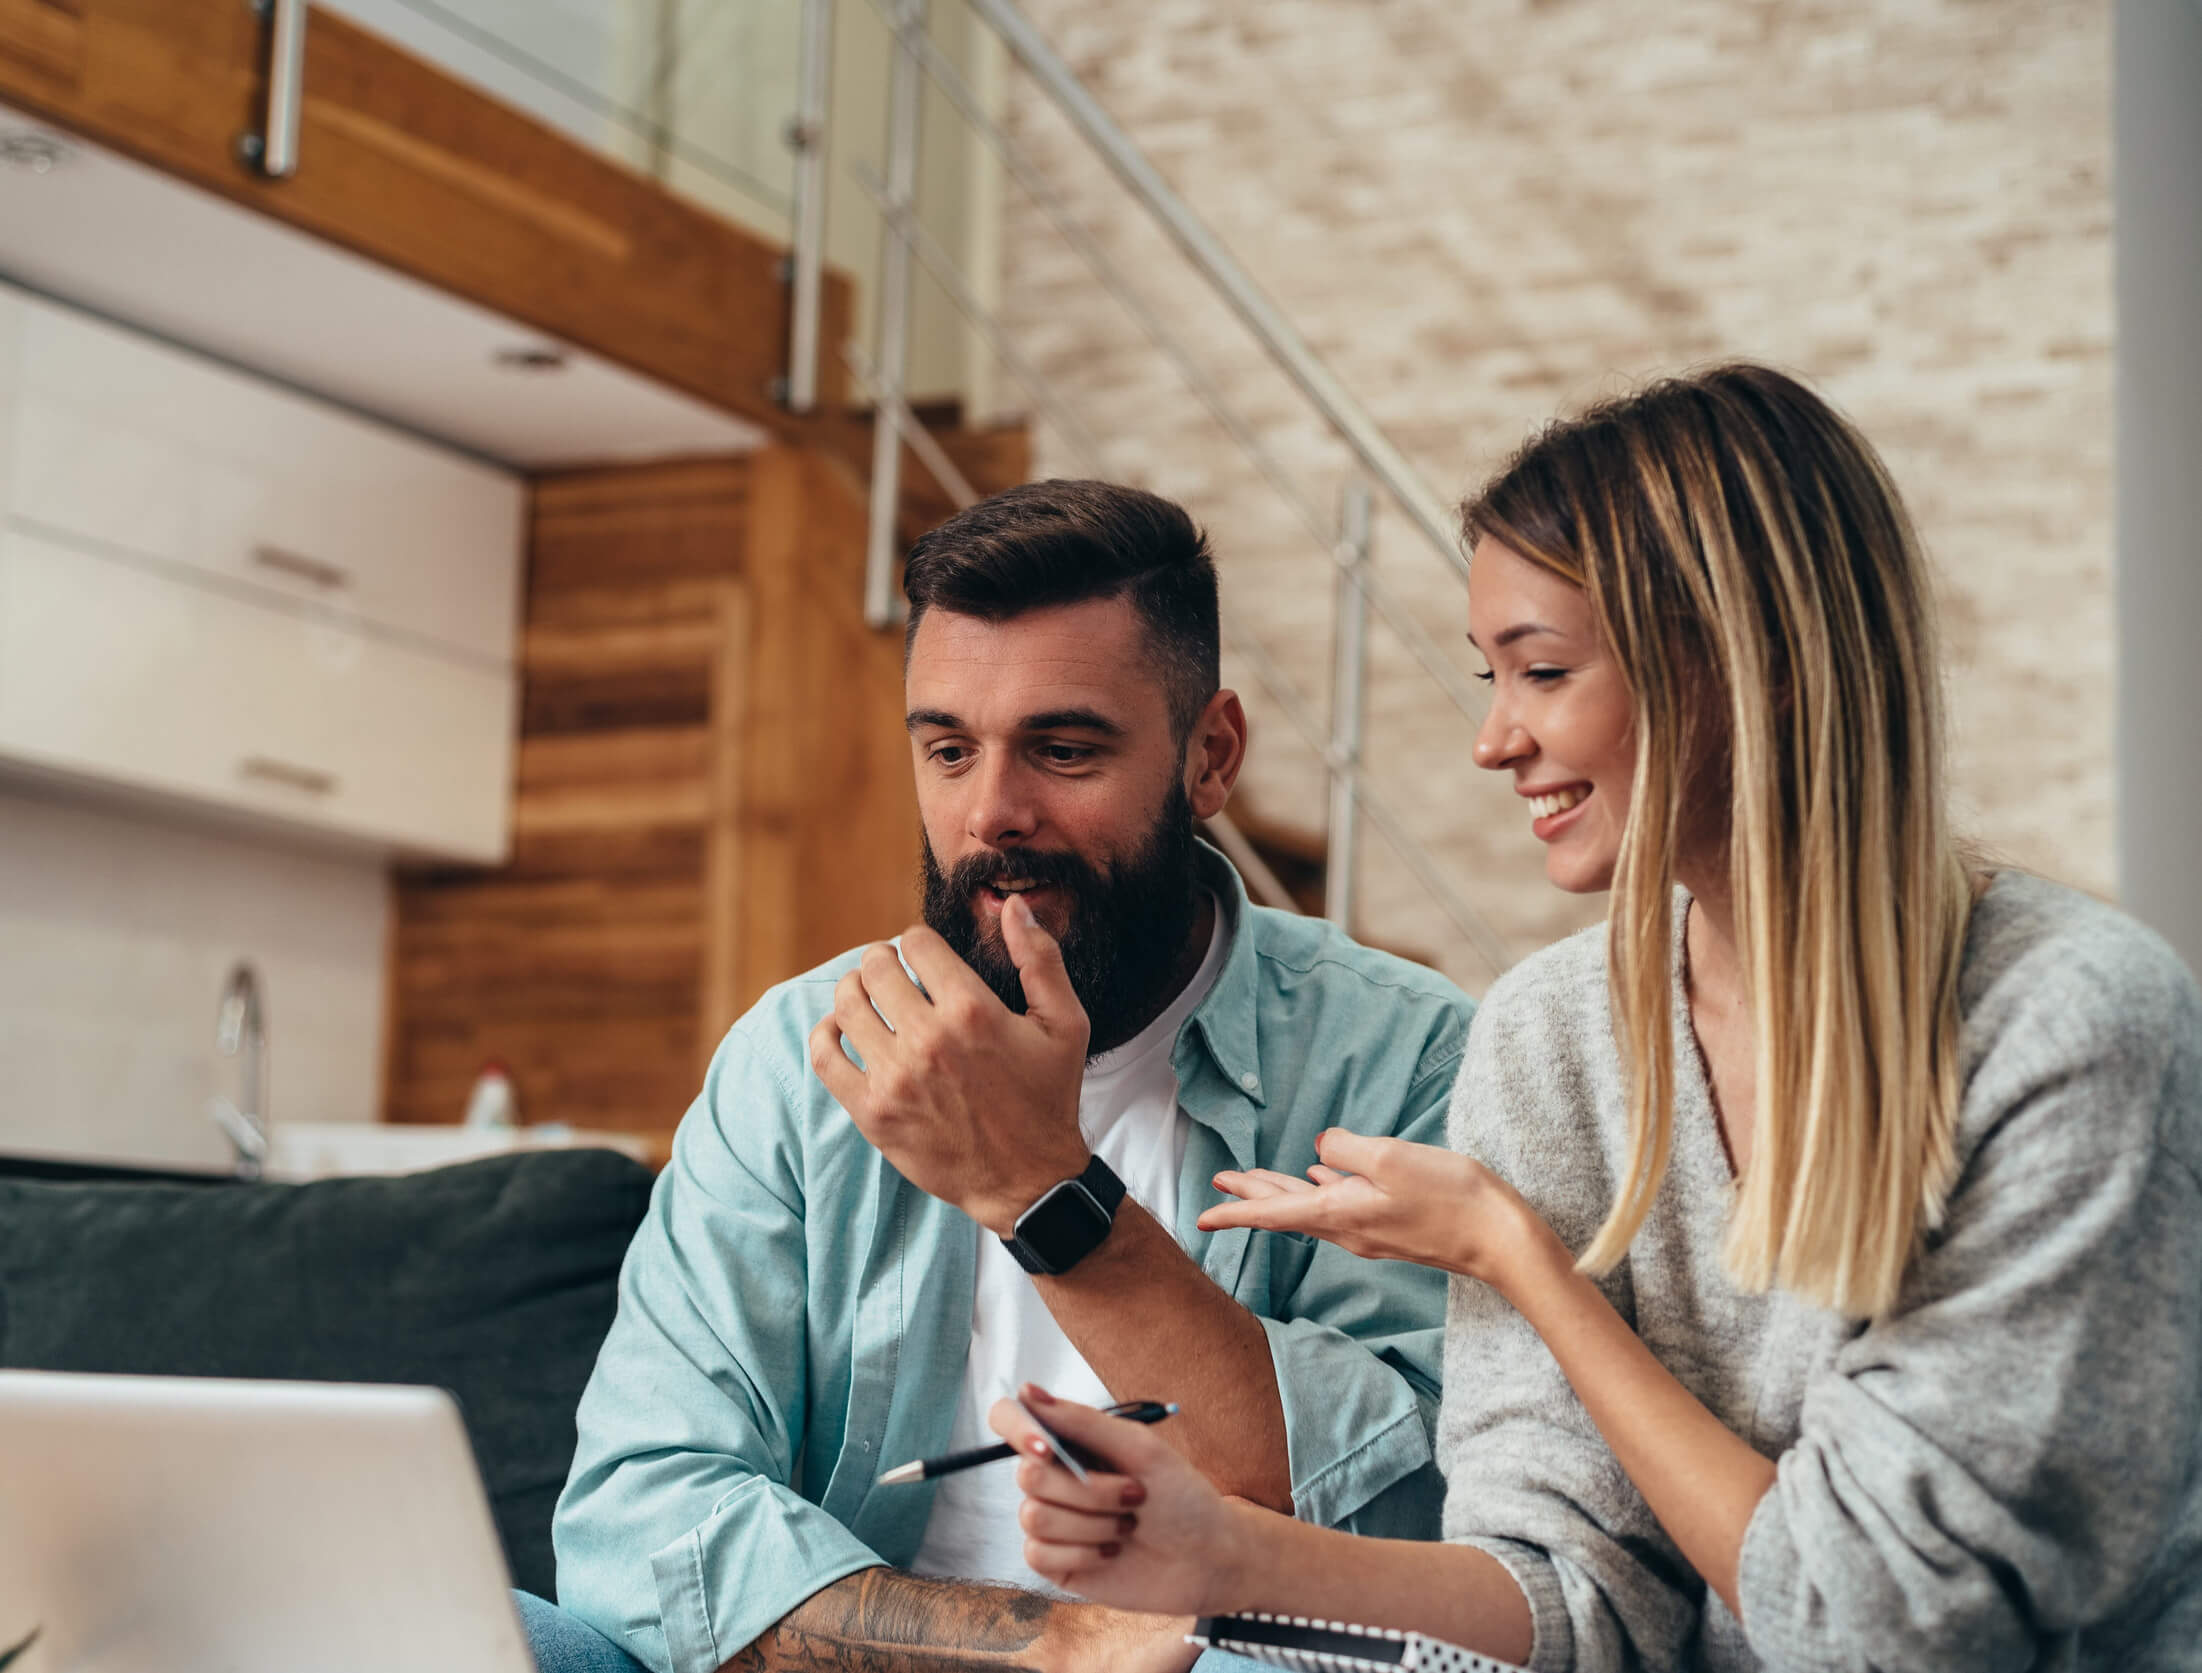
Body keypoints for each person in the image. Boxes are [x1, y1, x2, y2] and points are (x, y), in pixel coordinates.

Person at [992, 365, 2202, 1672]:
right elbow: (1571, 1601)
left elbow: (1883, 1632)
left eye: (1542, 670)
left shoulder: (2069, 1026)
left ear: (1751, 665)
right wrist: (1225, 1553)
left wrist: (1521, 1260)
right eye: (1487, 675)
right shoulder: (1548, 1037)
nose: (1492, 740)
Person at [534, 480, 1476, 1673]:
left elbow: (1409, 1537)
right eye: (948, 749)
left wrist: (1043, 1185)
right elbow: (635, 1517)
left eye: (1063, 748)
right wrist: (1045, 1643)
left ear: (1211, 755)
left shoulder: (1402, 1058)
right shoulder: (796, 1057)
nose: (991, 813)